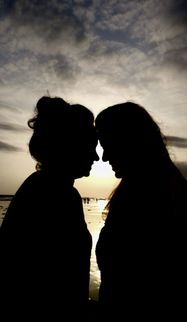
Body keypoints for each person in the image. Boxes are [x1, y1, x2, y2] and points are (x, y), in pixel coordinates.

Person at [95, 102, 187, 319]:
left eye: (108, 145)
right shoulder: (157, 185)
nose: (104, 157)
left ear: (129, 141)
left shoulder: (150, 193)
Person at [0, 96, 99, 320]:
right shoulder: (53, 194)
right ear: (69, 146)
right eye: (90, 147)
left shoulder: (50, 188)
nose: (96, 157)